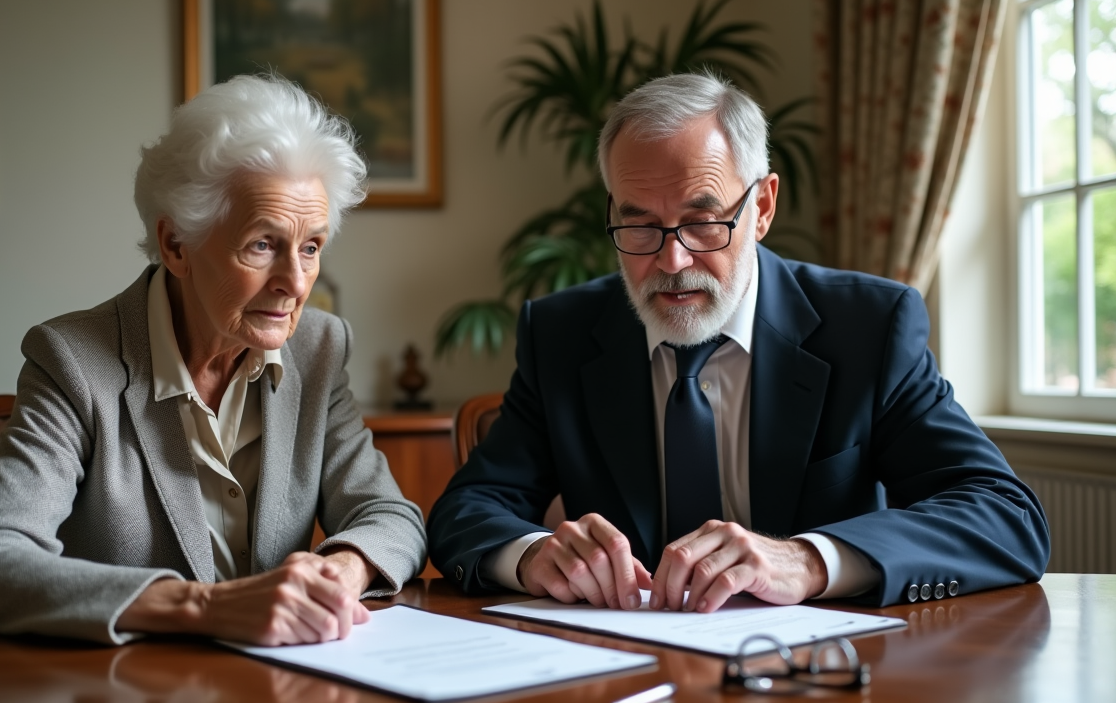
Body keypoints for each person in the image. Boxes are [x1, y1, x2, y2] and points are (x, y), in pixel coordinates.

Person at [427, 72, 1049, 613]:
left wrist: (809, 560)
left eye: (702, 222)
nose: (672, 261)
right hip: (622, 669)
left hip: (823, 679)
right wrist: (533, 553)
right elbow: (466, 509)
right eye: (639, 225)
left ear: (763, 207)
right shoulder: (561, 333)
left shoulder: (868, 327)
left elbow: (1005, 515)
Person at [0, 75, 427, 645]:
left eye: (311, 247)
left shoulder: (318, 348)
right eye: (262, 244)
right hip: (130, 689)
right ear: (175, 245)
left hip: (284, 683)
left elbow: (392, 518)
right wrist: (204, 606)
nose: (296, 283)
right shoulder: (74, 362)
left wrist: (341, 572)